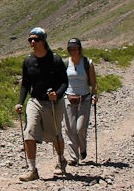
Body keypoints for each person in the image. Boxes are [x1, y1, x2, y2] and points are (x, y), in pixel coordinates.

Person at [15, 27, 69, 181]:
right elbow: (25, 84)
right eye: (30, 39)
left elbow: (64, 82)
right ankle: (32, 169)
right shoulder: (28, 61)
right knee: (29, 132)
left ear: (43, 41)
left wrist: (57, 94)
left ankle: (60, 160)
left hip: (54, 103)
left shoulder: (56, 60)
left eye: (36, 39)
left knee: (56, 133)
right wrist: (20, 102)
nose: (32, 42)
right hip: (35, 101)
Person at [63, 38, 98, 165]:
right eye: (70, 48)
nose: (72, 51)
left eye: (75, 48)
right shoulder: (65, 63)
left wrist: (94, 94)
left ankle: (82, 149)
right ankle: (73, 157)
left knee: (80, 128)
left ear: (79, 49)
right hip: (69, 98)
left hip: (84, 98)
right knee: (70, 128)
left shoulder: (87, 63)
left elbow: (94, 82)